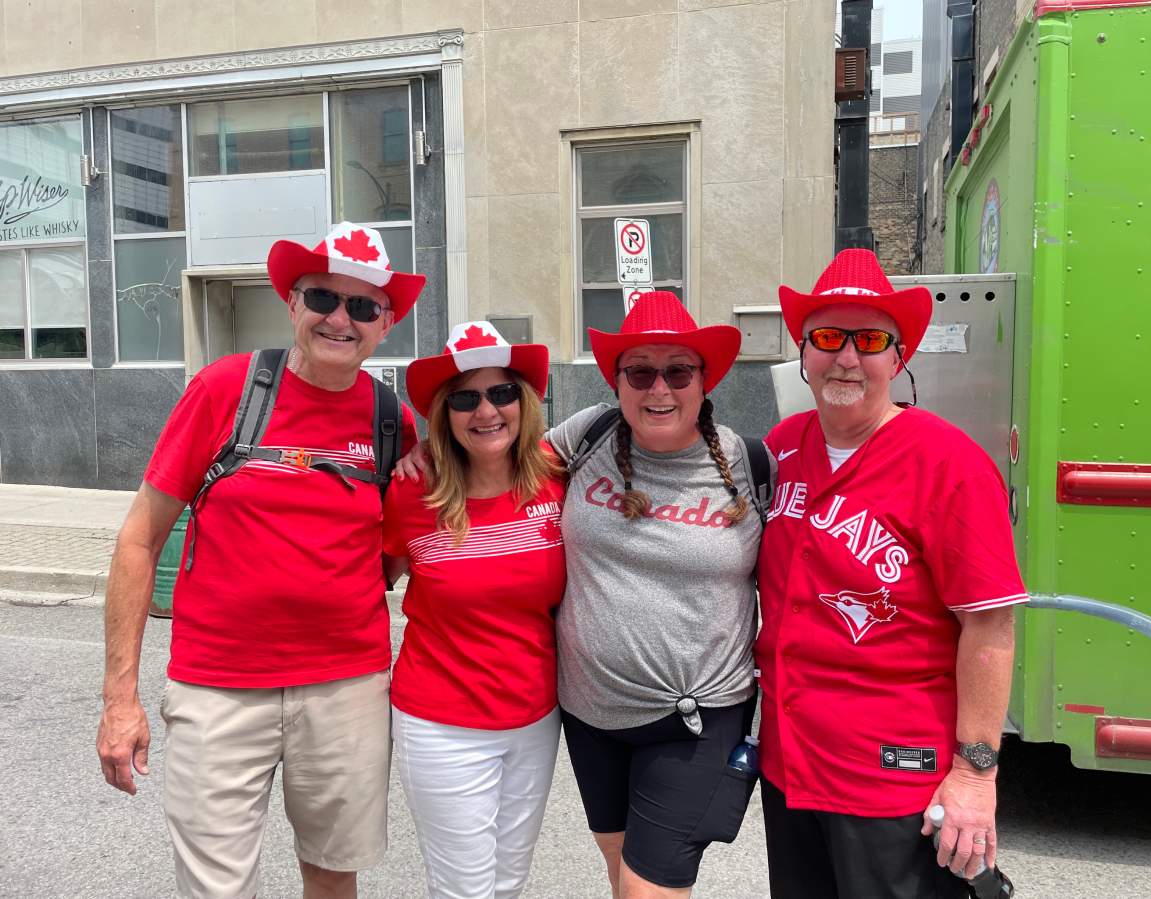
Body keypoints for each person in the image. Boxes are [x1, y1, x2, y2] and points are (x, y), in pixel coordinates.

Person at [95, 222, 424, 899]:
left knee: (333, 875)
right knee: (217, 888)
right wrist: (118, 698)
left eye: (363, 307)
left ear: (385, 324)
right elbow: (139, 539)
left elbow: (391, 554)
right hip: (218, 686)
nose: (341, 318)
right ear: (292, 302)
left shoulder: (393, 420)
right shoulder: (226, 390)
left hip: (346, 688)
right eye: (324, 298)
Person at [755, 249, 1027, 898]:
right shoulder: (784, 446)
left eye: (870, 339)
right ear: (804, 351)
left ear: (898, 357)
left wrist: (975, 774)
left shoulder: (947, 463)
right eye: (827, 337)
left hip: (889, 780)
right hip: (790, 768)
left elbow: (989, 626)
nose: (846, 357)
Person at [546, 292, 774, 899]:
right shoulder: (586, 435)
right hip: (591, 712)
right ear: (617, 383)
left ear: (703, 381)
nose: (659, 390)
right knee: (620, 864)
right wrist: (421, 460)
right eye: (640, 373)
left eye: (677, 371)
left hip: (696, 718)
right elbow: (495, 464)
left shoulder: (750, 463)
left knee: (648, 888)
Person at [383, 321, 565, 899]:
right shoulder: (413, 492)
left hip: (536, 717)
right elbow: (366, 580)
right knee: (464, 889)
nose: (486, 411)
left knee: (508, 882)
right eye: (465, 398)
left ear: (524, 402)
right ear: (444, 414)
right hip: (442, 726)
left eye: (501, 393)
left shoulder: (557, 475)